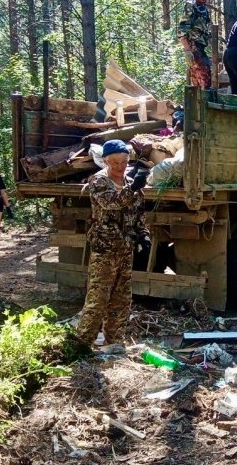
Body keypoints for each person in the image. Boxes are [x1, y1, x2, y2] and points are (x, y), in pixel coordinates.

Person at [76, 140, 150, 351]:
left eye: (124, 162)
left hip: (125, 248)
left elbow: (138, 213)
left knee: (121, 299)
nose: (120, 166)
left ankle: (114, 343)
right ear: (106, 161)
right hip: (105, 248)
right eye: (115, 162)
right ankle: (82, 345)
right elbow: (111, 203)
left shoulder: (130, 182)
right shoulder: (98, 181)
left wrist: (144, 235)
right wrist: (134, 188)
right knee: (98, 299)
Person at [177, 0, 213, 89]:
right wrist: (187, 50)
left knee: (199, 81)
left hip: (201, 46)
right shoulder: (190, 6)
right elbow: (182, 29)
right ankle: (202, 103)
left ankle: (198, 104)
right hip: (193, 46)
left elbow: (207, 29)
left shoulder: (204, 9)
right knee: (205, 79)